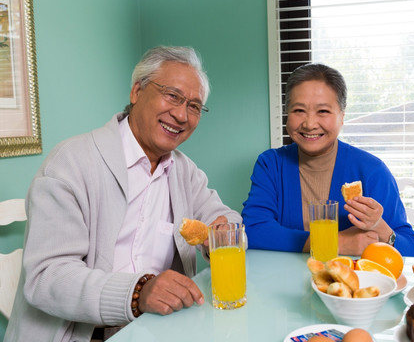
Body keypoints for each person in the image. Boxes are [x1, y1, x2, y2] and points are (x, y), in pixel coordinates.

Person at [5, 46, 242, 342]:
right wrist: (139, 292)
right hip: (84, 333)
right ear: (136, 91)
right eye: (172, 95)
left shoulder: (184, 170)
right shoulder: (70, 163)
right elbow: (47, 277)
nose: (181, 115)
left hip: (159, 327)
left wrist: (224, 230)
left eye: (194, 106)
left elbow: (228, 220)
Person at [242, 63, 414, 257]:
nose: (310, 124)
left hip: (351, 284)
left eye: (323, 111)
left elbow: (411, 249)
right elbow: (253, 230)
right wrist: (333, 244)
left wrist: (380, 227)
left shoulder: (371, 170)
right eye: (299, 110)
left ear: (342, 117)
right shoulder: (271, 164)